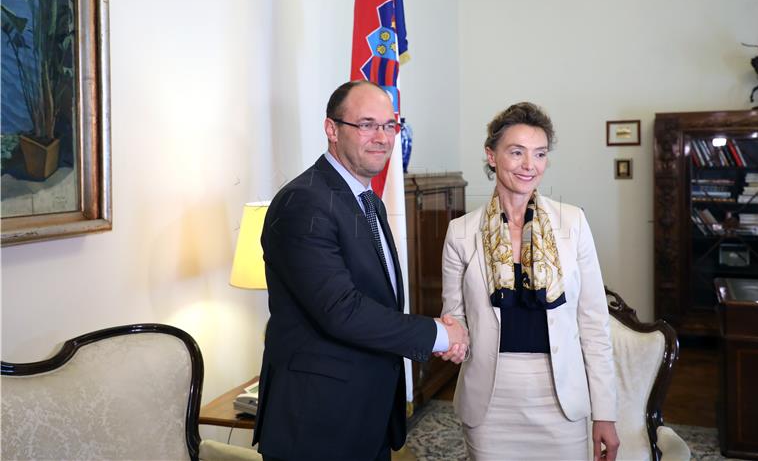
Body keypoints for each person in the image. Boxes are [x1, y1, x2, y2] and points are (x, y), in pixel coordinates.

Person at [253, 80, 468, 461]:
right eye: (367, 124)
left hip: (367, 413)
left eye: (389, 125)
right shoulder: (304, 202)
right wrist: (438, 334)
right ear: (332, 129)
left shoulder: (367, 200)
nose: (382, 138)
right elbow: (342, 310)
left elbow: (377, 300)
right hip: (317, 424)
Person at [439, 102, 619, 461]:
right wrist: (452, 337)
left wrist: (605, 412)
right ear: (491, 156)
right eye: (516, 152)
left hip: (561, 397)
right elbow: (455, 315)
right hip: (490, 400)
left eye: (539, 153)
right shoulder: (460, 232)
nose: (529, 165)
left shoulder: (573, 223)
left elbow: (594, 324)